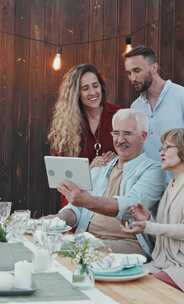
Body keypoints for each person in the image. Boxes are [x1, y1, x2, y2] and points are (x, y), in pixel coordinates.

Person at [122, 128, 184, 299]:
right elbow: (168, 233)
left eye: (167, 147)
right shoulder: (173, 184)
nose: (161, 152)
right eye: (162, 147)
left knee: (142, 291)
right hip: (169, 265)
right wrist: (147, 219)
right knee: (127, 279)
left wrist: (149, 226)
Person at [53, 109, 166, 256]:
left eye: (127, 134)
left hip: (129, 243)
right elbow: (77, 209)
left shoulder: (154, 170)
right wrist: (57, 221)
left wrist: (87, 201)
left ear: (143, 136)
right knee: (47, 241)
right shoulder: (103, 165)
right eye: (116, 133)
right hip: (89, 239)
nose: (120, 140)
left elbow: (129, 206)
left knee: (67, 249)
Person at [124, 46, 184, 169]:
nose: (132, 78)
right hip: (148, 184)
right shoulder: (136, 107)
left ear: (154, 67)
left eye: (137, 71)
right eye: (129, 73)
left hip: (179, 184)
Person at [48, 64, 122, 207]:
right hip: (76, 203)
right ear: (76, 93)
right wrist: (89, 169)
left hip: (110, 200)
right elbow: (61, 179)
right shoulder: (66, 125)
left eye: (95, 85)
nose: (93, 92)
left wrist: (117, 160)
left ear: (102, 87)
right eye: (85, 88)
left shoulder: (118, 115)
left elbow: (133, 159)